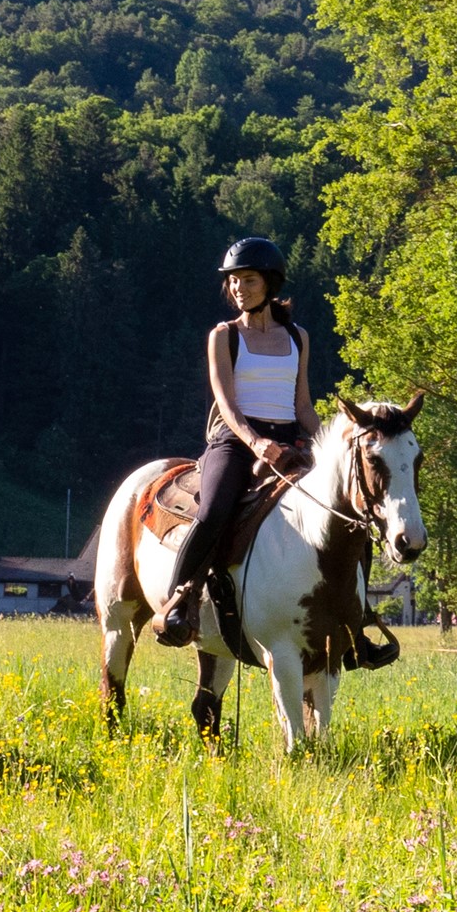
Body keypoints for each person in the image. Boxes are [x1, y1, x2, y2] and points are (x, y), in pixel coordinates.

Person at [154, 236, 319, 648]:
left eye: (248, 280)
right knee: (212, 512)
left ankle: (358, 616)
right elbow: (226, 404)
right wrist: (256, 442)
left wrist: (330, 443)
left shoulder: (298, 337)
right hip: (235, 438)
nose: (238, 289)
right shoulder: (224, 336)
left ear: (270, 283)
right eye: (232, 281)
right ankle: (179, 600)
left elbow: (303, 405)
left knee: (346, 503)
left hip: (289, 439)